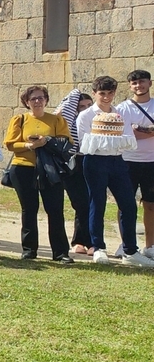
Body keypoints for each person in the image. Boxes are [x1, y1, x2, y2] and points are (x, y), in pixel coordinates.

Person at [75, 76, 147, 266]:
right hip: (95, 161)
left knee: (128, 204)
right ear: (94, 93)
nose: (106, 97)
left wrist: (115, 140)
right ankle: (98, 247)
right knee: (97, 203)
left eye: (110, 93)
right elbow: (84, 144)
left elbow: (128, 138)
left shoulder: (119, 113)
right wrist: (108, 138)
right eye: (102, 94)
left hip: (117, 160)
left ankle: (130, 250)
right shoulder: (86, 115)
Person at [3, 85, 73, 263]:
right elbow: (10, 144)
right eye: (33, 98)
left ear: (46, 100)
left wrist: (47, 141)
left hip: (50, 169)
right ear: (27, 102)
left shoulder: (56, 120)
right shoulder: (19, 119)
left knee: (55, 210)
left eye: (41, 98)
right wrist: (30, 145)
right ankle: (29, 250)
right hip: (23, 168)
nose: (37, 101)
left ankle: (60, 252)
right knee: (29, 209)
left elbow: (66, 142)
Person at [117, 69, 154, 257]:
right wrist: (149, 131)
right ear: (130, 86)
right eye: (134, 83)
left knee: (151, 205)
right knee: (125, 205)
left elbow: (132, 133)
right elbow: (123, 134)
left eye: (142, 81)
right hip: (127, 161)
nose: (138, 86)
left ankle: (150, 246)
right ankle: (126, 244)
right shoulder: (123, 108)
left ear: (150, 83)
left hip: (151, 161)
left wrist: (137, 130)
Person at [57, 87, 94, 254]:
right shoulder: (69, 121)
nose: (85, 109)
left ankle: (88, 241)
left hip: (92, 160)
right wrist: (77, 91)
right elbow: (66, 107)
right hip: (73, 162)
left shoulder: (96, 119)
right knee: (80, 202)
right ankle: (82, 241)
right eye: (81, 106)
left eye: (89, 106)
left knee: (91, 202)